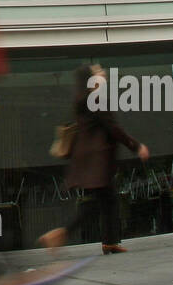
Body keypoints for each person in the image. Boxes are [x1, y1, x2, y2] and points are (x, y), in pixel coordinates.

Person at [40, 64, 149, 255]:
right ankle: (61, 234)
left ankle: (109, 242)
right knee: (98, 203)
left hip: (90, 161)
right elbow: (114, 129)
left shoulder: (82, 99)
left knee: (107, 200)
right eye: (98, 72)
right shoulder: (95, 99)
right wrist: (137, 147)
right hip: (97, 162)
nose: (103, 73)